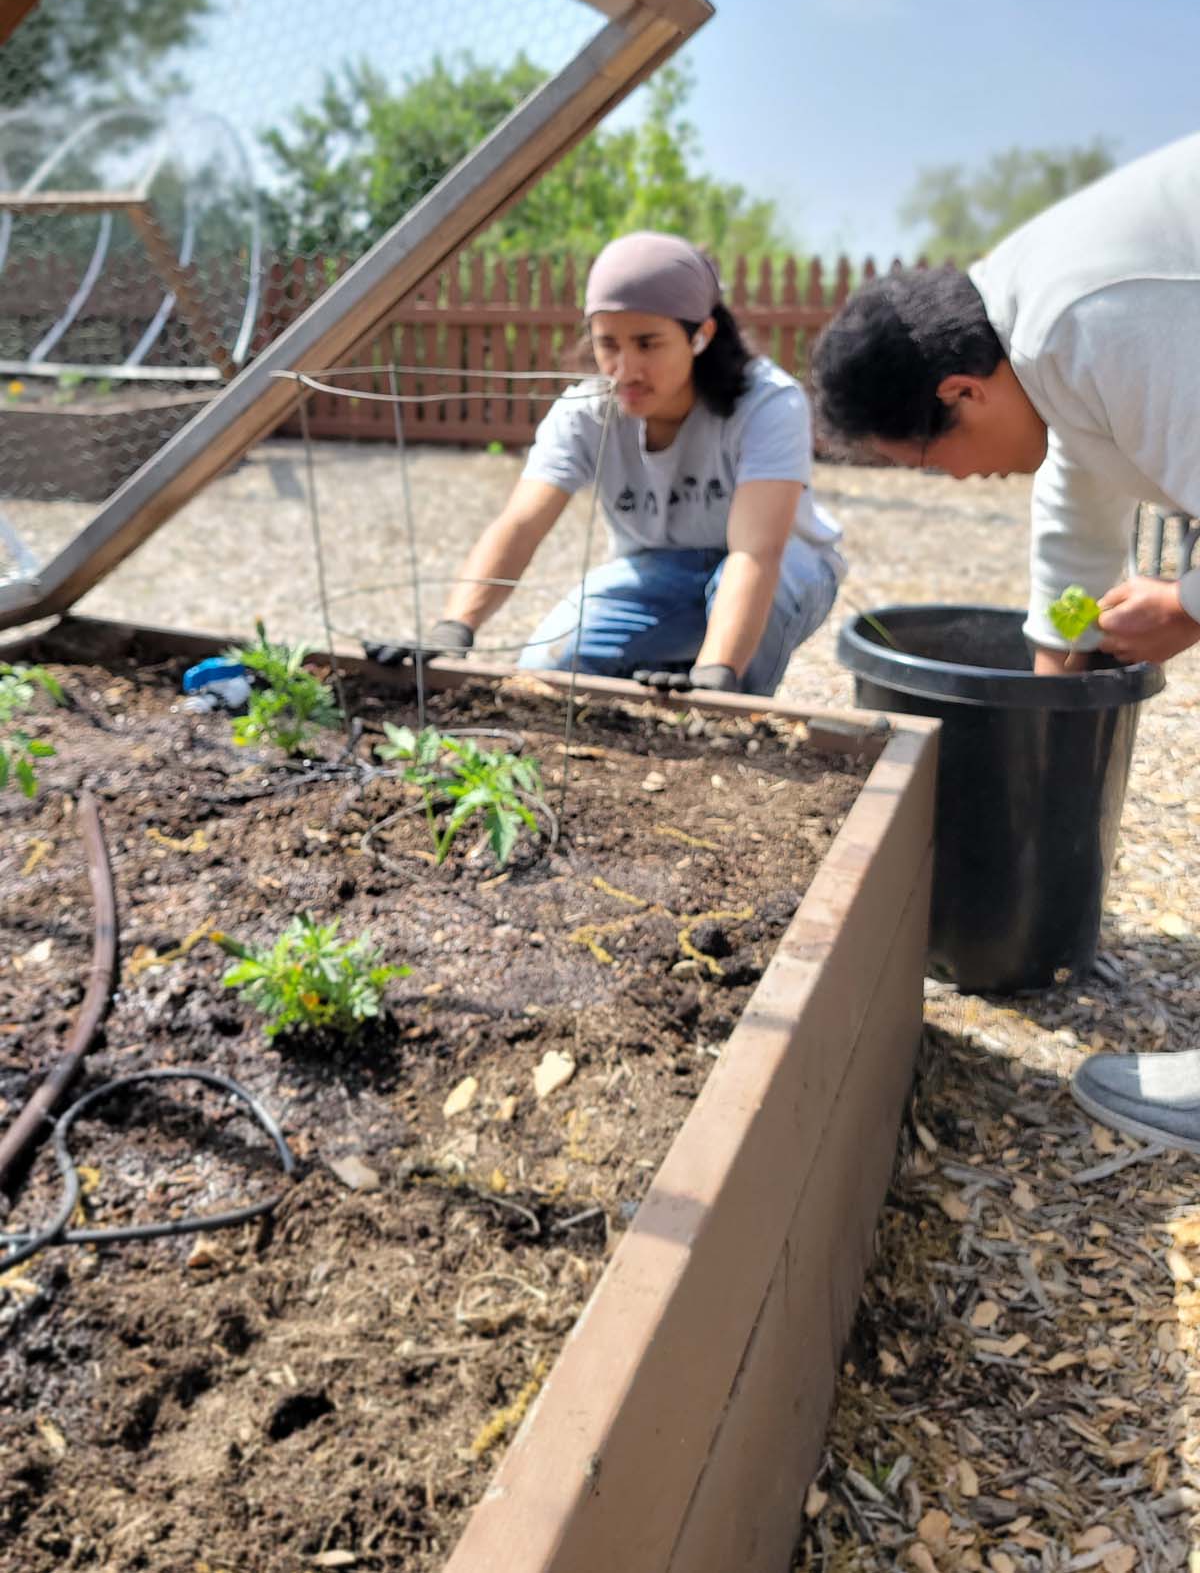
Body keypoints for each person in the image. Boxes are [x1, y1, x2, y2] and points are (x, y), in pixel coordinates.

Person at [810, 131, 1200, 1148]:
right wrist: (1054, 666)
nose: (956, 480)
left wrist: (1190, 603)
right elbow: (1081, 496)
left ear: (960, 393)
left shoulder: (1087, 318)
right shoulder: (1033, 320)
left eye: (933, 460)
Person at [372, 230, 845, 698]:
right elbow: (520, 524)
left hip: (782, 566)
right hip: (661, 570)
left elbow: (754, 553)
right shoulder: (586, 413)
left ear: (700, 336)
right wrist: (454, 627)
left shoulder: (766, 403)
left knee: (749, 626)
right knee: (548, 666)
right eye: (608, 344)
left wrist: (717, 675)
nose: (625, 369)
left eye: (647, 343)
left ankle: (735, 708)